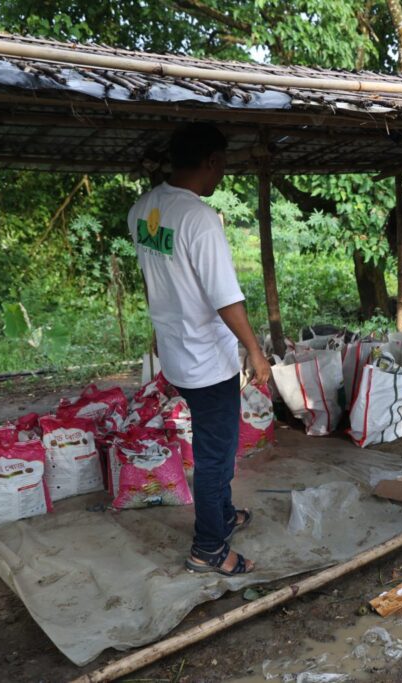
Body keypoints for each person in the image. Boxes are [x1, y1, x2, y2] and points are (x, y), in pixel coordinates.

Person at [128, 122, 271, 576]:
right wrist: (255, 349)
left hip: (176, 353)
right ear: (212, 160)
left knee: (214, 447)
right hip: (207, 361)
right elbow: (225, 296)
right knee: (216, 456)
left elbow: (157, 282)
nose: (222, 172)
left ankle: (223, 517)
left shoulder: (143, 210)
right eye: (223, 163)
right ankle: (208, 548)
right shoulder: (198, 218)